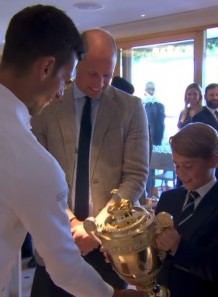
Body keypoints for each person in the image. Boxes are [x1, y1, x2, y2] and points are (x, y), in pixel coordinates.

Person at [0, 4, 144, 297]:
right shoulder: (30, 157)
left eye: (107, 75)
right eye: (66, 76)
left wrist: (94, 229)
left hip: (105, 248)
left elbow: (136, 175)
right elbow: (64, 266)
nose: (60, 92)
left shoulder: (130, 108)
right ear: (46, 67)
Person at [155, 123, 218, 297]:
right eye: (176, 165)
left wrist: (178, 246)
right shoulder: (168, 198)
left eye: (188, 166)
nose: (180, 174)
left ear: (213, 160)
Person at [192, 83, 218, 189]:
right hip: (209, 167)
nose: (215, 97)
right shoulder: (199, 118)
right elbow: (203, 144)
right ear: (206, 97)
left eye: (217, 95)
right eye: (211, 95)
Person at [143, 81, 165, 146]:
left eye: (152, 89)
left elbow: (161, 125)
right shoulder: (142, 104)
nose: (151, 91)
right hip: (145, 139)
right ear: (145, 90)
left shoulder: (160, 106)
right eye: (149, 89)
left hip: (158, 140)